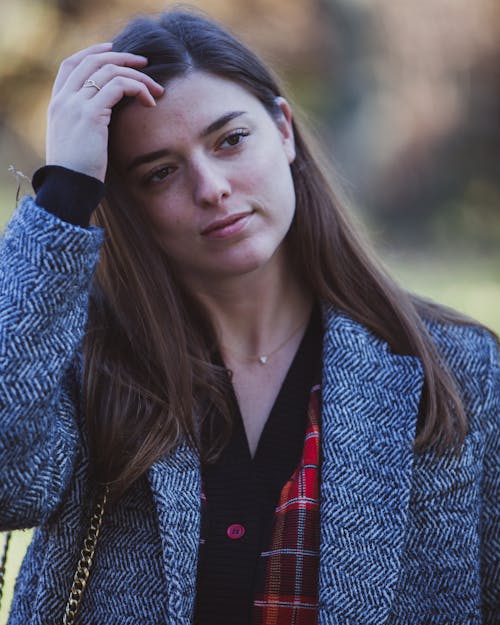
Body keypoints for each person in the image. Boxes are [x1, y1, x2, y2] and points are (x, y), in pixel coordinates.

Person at [0, 8, 498, 625]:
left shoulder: (458, 370)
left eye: (230, 139)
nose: (211, 187)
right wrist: (66, 195)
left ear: (283, 130)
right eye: (160, 173)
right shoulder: (84, 362)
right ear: (131, 204)